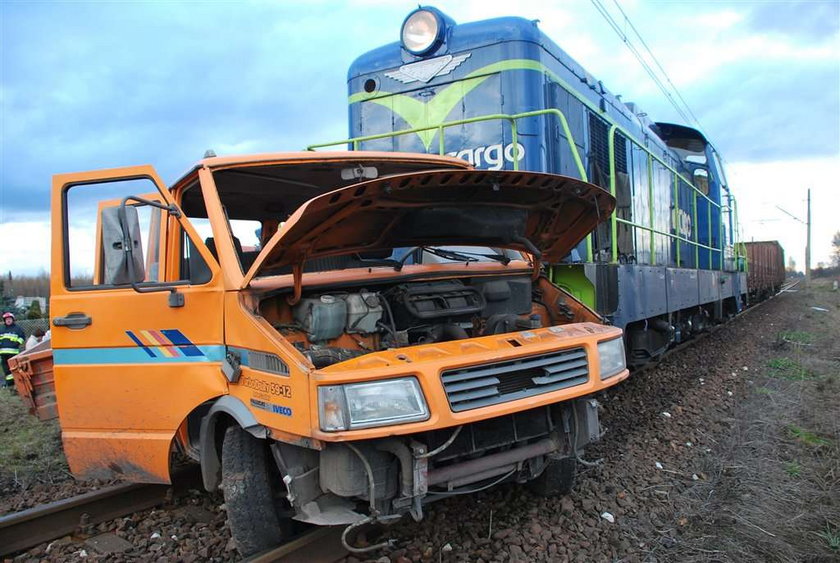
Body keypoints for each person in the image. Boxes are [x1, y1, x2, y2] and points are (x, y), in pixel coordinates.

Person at [1, 312, 25, 387]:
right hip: (3, 353)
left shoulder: (17, 328)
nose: (8, 320)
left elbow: (22, 338)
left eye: (9, 319)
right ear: (4, 320)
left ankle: (18, 383)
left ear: (12, 319)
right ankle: (10, 384)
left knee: (15, 368)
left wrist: (16, 343)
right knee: (6, 369)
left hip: (13, 352)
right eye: (6, 319)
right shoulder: (1, 329)